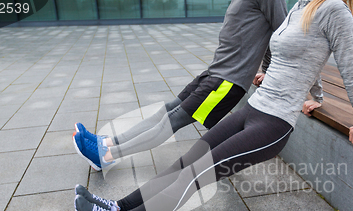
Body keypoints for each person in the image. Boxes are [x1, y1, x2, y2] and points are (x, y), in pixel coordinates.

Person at [74, 0, 353, 211]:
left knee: (194, 176)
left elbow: (349, 70)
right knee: (183, 164)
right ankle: (117, 206)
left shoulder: (335, 10)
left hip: (273, 124)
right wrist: (318, 96)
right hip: (253, 109)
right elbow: (307, 57)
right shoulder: (302, 6)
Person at [73, 0, 288, 171]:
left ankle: (106, 157)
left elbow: (280, 34)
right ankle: (108, 142)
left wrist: (268, 71)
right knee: (167, 109)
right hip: (213, 72)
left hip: (228, 81)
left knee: (172, 121)